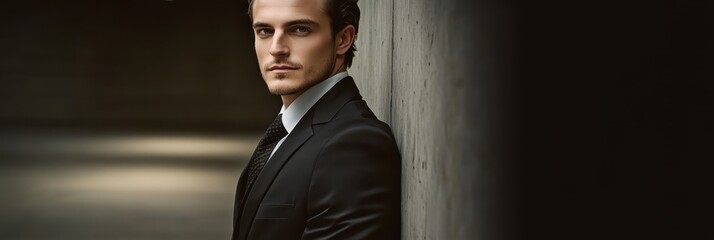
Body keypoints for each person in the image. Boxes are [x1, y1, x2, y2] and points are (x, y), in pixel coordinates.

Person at [231, 0, 401, 239]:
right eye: (265, 31)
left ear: (343, 39)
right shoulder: (287, 130)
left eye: (300, 29)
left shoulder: (354, 145)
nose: (276, 48)